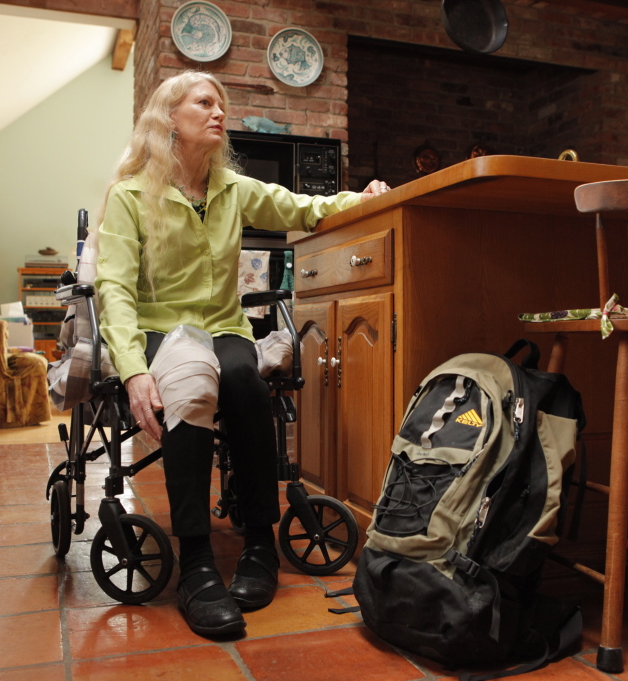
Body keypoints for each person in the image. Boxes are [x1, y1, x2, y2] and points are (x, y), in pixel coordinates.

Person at [94, 70, 390, 638]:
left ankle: (260, 542)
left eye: (221, 105)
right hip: (161, 328)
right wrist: (133, 371)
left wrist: (364, 197)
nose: (218, 113)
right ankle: (197, 564)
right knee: (193, 385)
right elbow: (115, 291)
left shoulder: (232, 187)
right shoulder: (131, 196)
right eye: (204, 103)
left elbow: (304, 209)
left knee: (246, 381)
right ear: (168, 120)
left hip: (223, 324)